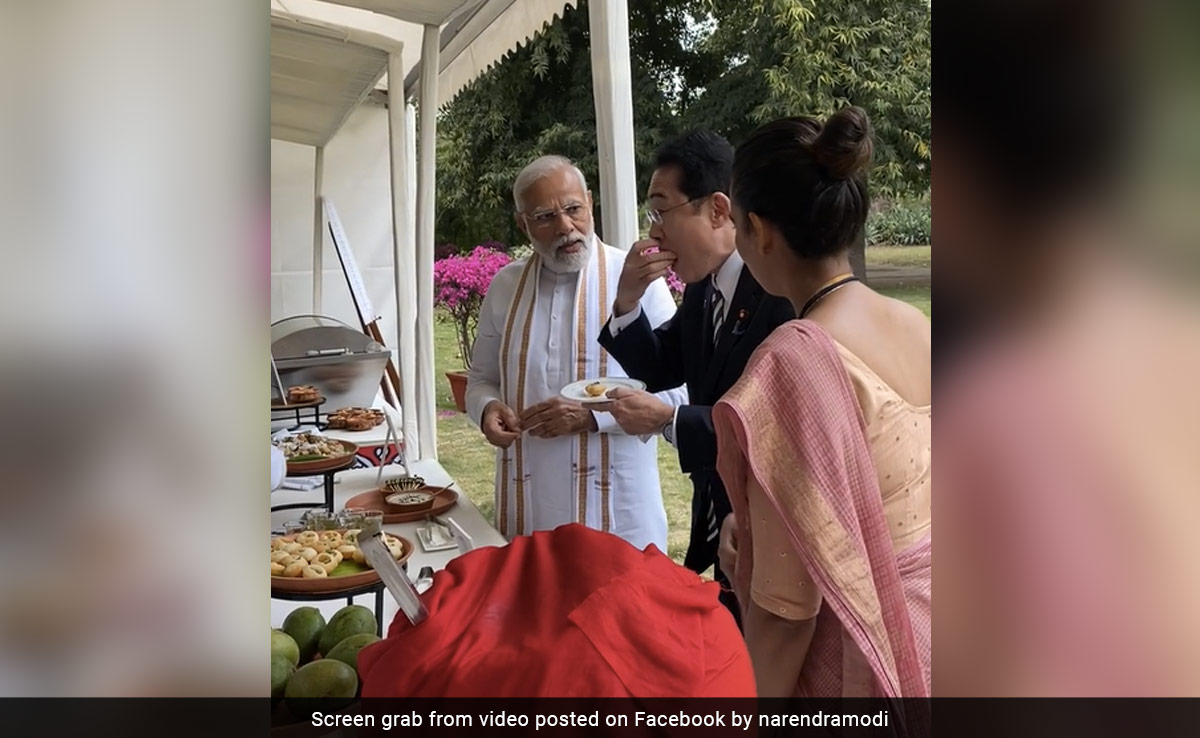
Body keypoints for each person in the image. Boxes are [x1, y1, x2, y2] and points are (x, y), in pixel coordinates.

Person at [713, 108, 931, 698]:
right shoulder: (916, 324)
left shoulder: (795, 363)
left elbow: (787, 615)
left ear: (758, 230)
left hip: (866, 662)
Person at [593, 130, 794, 620]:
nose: (654, 232)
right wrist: (627, 300)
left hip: (773, 528)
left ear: (719, 209)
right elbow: (660, 365)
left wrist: (668, 421)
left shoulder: (778, 291)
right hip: (722, 517)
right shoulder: (706, 288)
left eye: (662, 211)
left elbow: (773, 423)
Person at [466, 155, 686, 551]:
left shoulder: (635, 280)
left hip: (618, 510)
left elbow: (679, 393)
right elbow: (480, 380)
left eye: (573, 209)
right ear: (523, 224)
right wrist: (487, 409)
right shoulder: (506, 286)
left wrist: (592, 418)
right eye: (545, 217)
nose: (565, 227)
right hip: (531, 504)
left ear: (590, 203)